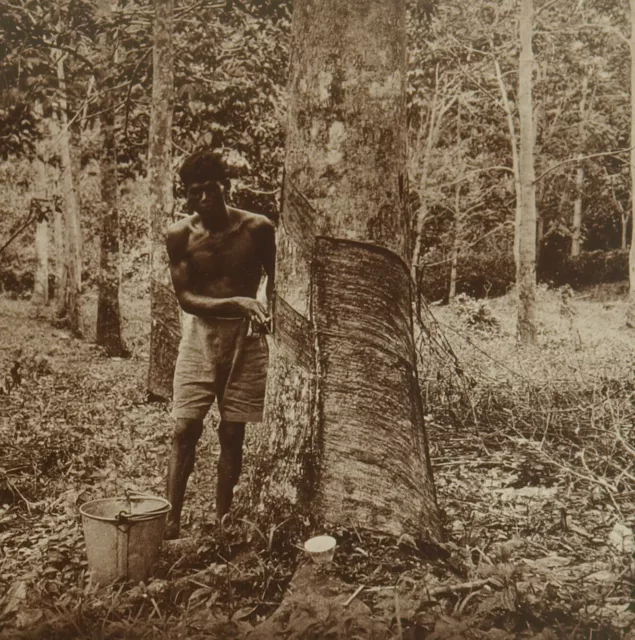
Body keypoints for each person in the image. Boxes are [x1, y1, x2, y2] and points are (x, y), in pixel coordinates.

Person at [164, 150, 275, 540]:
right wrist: (238, 303)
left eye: (211, 190)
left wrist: (267, 316)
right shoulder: (179, 236)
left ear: (226, 187)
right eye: (196, 194)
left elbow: (277, 282)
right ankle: (170, 521)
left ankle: (223, 519)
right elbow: (186, 298)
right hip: (200, 335)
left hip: (246, 339)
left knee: (232, 432)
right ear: (187, 196)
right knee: (184, 427)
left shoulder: (258, 228)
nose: (205, 200)